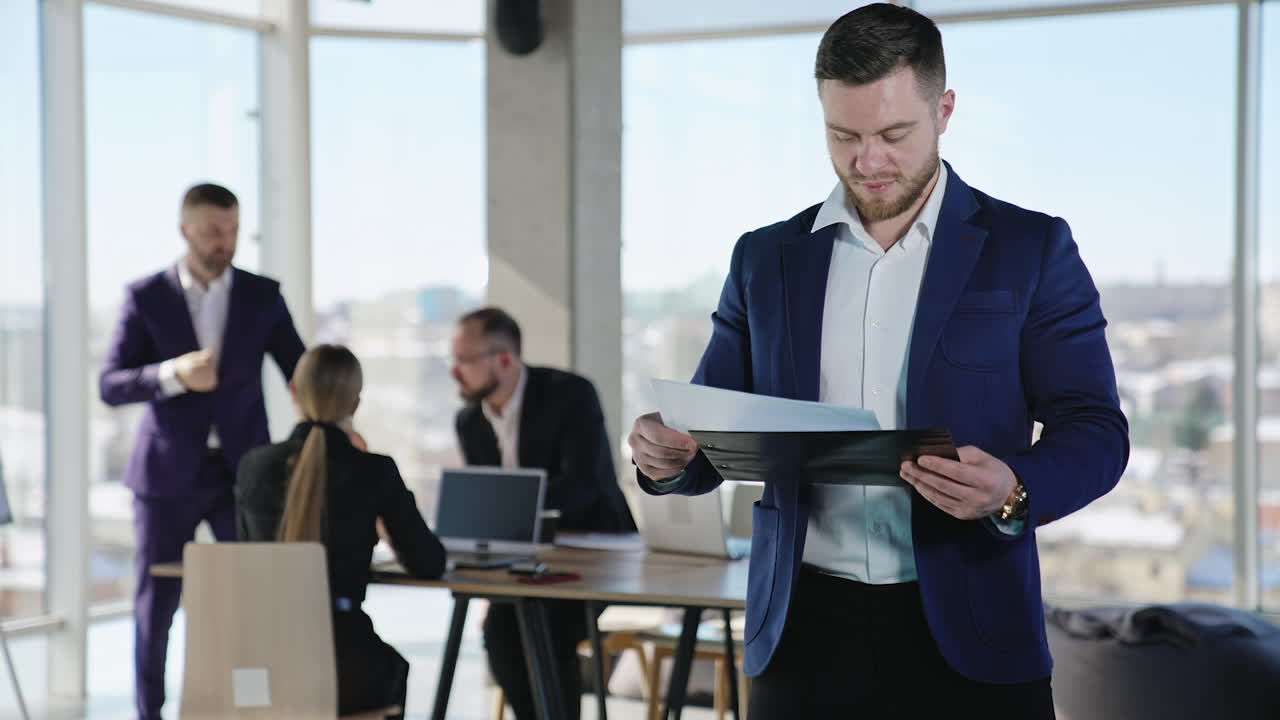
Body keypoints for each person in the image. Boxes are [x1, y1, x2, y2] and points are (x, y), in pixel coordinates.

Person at [627, 5, 1129, 718]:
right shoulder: (765, 259)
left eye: (894, 134)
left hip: (973, 627)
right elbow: (713, 433)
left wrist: (1016, 486)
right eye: (844, 135)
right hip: (800, 630)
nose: (869, 161)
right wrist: (669, 455)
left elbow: (1096, 430)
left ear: (944, 110)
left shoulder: (1030, 249)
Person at [99, 183, 306, 720]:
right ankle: (150, 714)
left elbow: (301, 371)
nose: (226, 241)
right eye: (215, 231)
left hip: (244, 477)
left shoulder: (263, 294)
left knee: (252, 602)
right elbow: (111, 384)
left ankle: (253, 710)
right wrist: (172, 375)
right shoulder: (146, 296)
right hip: (166, 478)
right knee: (157, 607)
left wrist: (338, 422)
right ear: (186, 229)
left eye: (234, 229)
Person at [236, 345, 446, 717]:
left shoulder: (253, 467)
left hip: (259, 665)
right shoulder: (373, 471)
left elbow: (247, 556)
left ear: (294, 393)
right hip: (344, 666)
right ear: (355, 406)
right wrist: (384, 525)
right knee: (390, 668)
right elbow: (428, 562)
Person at [451, 306, 636, 720]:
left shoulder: (570, 394)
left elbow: (583, 485)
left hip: (597, 551)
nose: (454, 373)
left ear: (503, 359)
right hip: (525, 561)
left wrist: (511, 511)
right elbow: (485, 501)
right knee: (500, 635)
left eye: (463, 361)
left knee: (548, 631)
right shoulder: (469, 422)